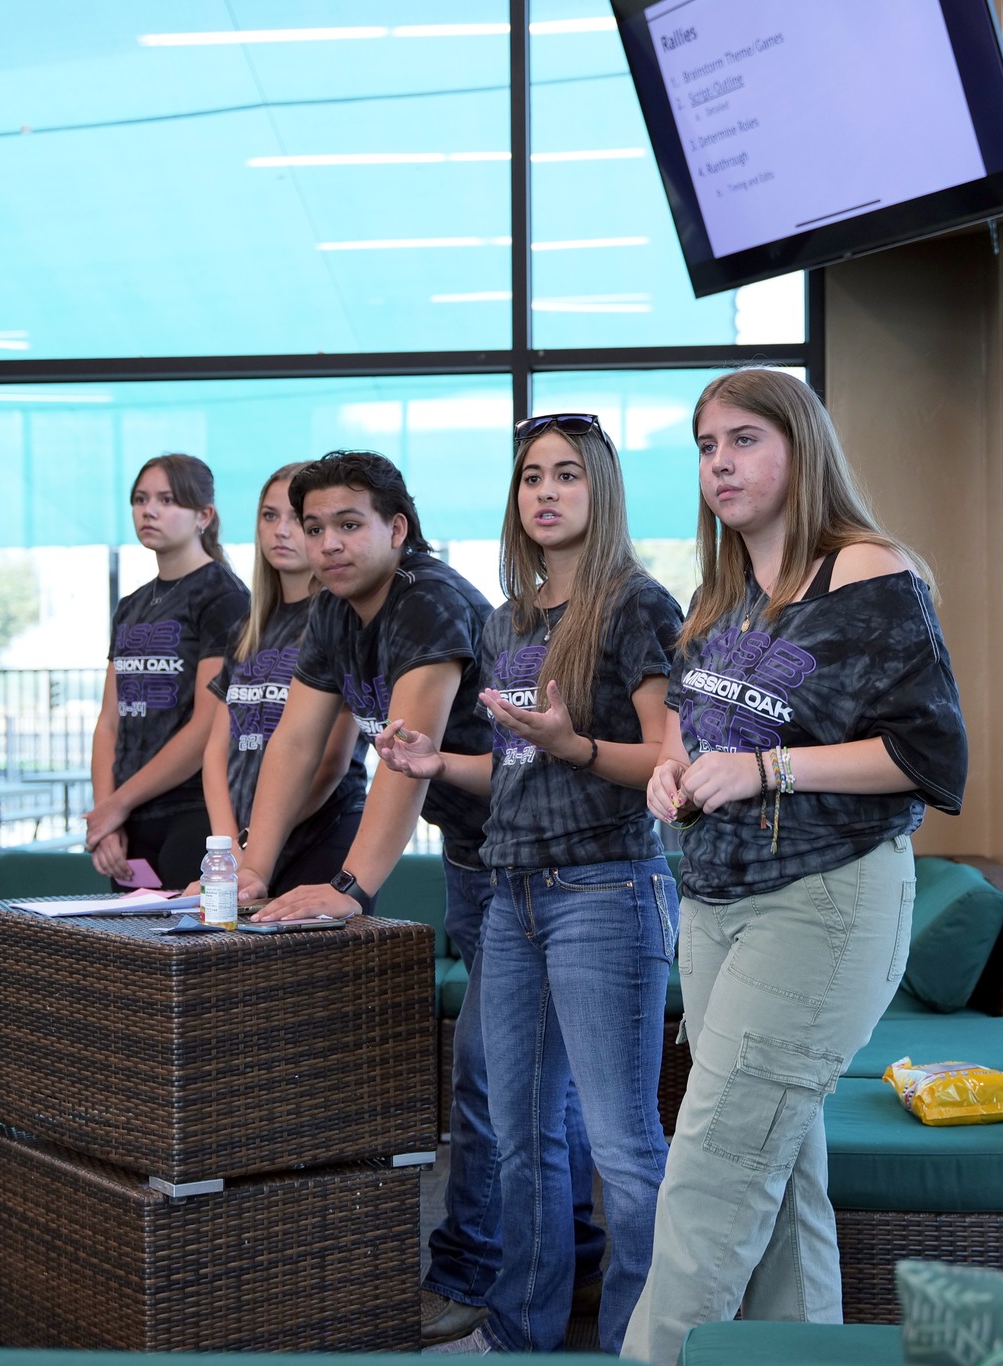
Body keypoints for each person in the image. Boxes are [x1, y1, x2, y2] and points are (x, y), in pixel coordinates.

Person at [621, 370, 968, 1364]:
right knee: (777, 1184)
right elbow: (704, 727)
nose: (718, 463)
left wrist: (765, 768)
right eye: (704, 445)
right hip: (719, 902)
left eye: (742, 440)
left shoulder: (864, 572)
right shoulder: (724, 590)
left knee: (711, 1173)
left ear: (800, 449)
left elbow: (928, 757)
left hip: (822, 904)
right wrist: (675, 768)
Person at [237, 449, 603, 1346]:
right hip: (481, 856)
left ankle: (477, 1272)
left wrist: (354, 888)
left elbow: (405, 754)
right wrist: (250, 864)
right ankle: (576, 1254)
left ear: (397, 530)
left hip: (553, 859)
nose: (325, 543)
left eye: (348, 524)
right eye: (313, 526)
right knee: (532, 1079)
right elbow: (293, 742)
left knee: (495, 1077)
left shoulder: (428, 601)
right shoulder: (333, 611)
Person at [376, 414, 684, 1354]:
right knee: (520, 1139)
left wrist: (572, 744)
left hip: (607, 888)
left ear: (602, 493)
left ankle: (641, 1339)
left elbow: (669, 766)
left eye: (566, 477)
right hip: (509, 893)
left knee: (623, 1149)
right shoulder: (506, 618)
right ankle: (520, 1331)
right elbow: (517, 768)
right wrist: (437, 763)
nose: (544, 493)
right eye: (530, 479)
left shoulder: (637, 604)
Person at [201, 463, 368, 896]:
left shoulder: (342, 619)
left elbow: (331, 759)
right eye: (269, 515)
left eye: (297, 519)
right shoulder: (248, 627)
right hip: (241, 848)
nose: (281, 530)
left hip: (321, 834)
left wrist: (256, 842)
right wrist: (230, 847)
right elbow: (217, 750)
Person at [86, 454, 249, 890]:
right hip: (128, 819)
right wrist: (107, 817)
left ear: (204, 515)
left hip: (193, 811)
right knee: (130, 954)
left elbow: (207, 727)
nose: (149, 511)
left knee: (190, 952)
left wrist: (116, 804)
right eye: (140, 500)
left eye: (167, 500)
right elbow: (108, 723)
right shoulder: (131, 606)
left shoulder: (224, 596)